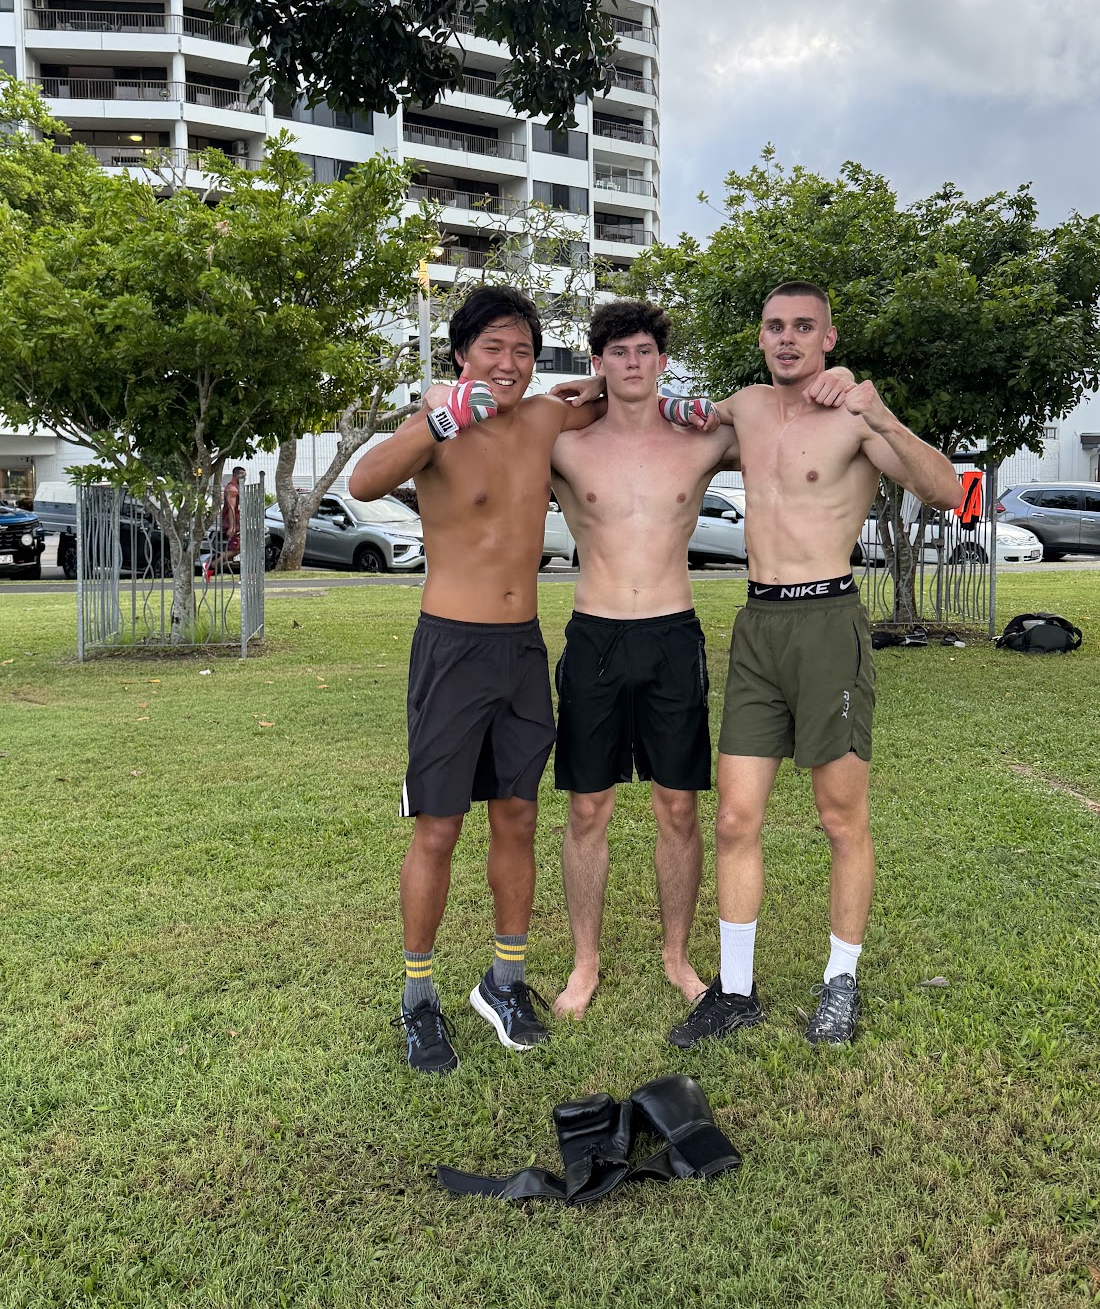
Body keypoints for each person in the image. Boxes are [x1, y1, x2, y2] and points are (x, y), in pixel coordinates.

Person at [667, 280, 964, 1050]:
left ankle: (841, 980)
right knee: (734, 816)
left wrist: (880, 413)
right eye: (775, 327)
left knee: (840, 817)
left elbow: (946, 493)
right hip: (758, 625)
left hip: (829, 621)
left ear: (829, 338)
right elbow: (679, 416)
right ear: (761, 338)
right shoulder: (748, 407)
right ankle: (735, 991)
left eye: (804, 327)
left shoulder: (854, 417)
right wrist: (591, 393)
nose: (788, 338)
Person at [547, 299, 855, 1019]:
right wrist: (570, 396)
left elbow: (793, 435)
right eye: (617, 351)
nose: (631, 363)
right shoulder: (564, 445)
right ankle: (584, 964)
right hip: (594, 634)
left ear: (661, 360)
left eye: (644, 351)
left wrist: (839, 383)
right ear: (598, 362)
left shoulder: (703, 439)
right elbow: (510, 419)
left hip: (672, 635)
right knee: (588, 807)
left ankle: (677, 957)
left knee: (678, 807)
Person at [348, 284, 601, 1075]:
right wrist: (437, 414)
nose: (509, 362)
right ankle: (417, 998)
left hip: (523, 649)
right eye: (493, 346)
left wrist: (586, 385)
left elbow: (604, 400)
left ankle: (505, 982)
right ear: (461, 353)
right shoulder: (439, 426)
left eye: (522, 350)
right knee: (438, 826)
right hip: (452, 649)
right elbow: (362, 482)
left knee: (518, 817)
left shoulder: (542, 419)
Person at [205, 465, 244, 581]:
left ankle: (212, 566)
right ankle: (211, 565)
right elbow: (231, 508)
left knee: (239, 547)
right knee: (236, 549)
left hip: (236, 521)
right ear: (235, 475)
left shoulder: (236, 488)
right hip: (232, 522)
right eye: (242, 475)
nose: (244, 478)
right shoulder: (232, 489)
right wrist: (232, 526)